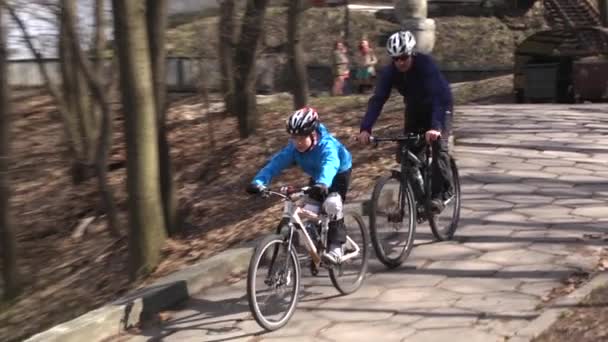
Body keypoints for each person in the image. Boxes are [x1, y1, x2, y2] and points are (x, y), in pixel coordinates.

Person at [356, 30, 454, 213]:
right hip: (415, 108)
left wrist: (435, 127)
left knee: (438, 147)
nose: (400, 62)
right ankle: (419, 198)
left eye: (404, 57)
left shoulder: (426, 66)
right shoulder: (390, 72)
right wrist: (366, 128)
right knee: (405, 153)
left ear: (412, 53)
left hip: (440, 105)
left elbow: (438, 99)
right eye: (396, 59)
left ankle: (440, 194)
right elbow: (378, 99)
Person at [247, 107, 353, 264]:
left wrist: (323, 182)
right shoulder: (294, 149)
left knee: (332, 203)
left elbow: (330, 164)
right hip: (318, 177)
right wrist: (259, 181)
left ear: (313, 134)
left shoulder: (327, 146)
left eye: (302, 138)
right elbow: (275, 164)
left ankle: (337, 247)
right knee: (310, 208)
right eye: (294, 138)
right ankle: (319, 235)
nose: (297, 142)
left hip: (337, 174)